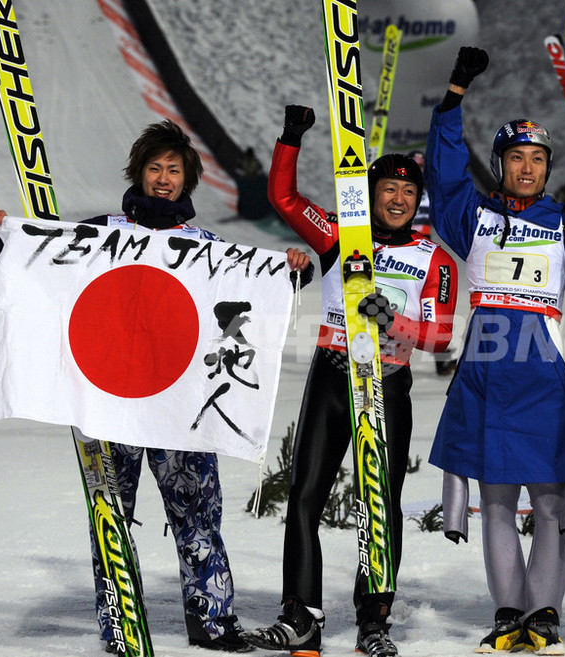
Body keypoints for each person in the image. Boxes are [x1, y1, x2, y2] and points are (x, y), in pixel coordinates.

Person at [0, 119, 313, 653]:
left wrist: (289, 269)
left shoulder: (207, 247)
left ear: (187, 180)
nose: (163, 178)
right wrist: (1, 233)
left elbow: (254, 290)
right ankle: (120, 624)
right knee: (111, 517)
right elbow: (43, 270)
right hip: (109, 405)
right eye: (155, 168)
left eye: (173, 170)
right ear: (139, 172)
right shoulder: (101, 234)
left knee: (198, 517)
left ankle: (215, 624)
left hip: (181, 407)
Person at [425, 47, 565, 655]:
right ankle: (509, 613)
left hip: (541, 373)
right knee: (496, 501)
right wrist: (455, 96)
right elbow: (444, 172)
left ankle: (545, 613)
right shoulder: (474, 218)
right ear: (502, 164)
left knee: (548, 499)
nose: (529, 168)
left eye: (538, 159)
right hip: (484, 373)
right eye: (518, 158)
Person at [240, 105, 459, 657]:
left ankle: (374, 621)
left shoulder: (436, 259)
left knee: (381, 504)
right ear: (373, 193)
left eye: (408, 194)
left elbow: (439, 338)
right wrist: (291, 138)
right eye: (389, 189)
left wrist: (395, 323)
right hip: (333, 376)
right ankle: (301, 619)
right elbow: (284, 200)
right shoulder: (341, 236)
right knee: (306, 497)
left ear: (418, 201)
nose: (399, 200)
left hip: (388, 384)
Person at [407, 148, 458, 377]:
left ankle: (442, 359)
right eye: (414, 165)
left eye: (420, 166)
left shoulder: (428, 190)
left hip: (423, 247)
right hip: (402, 245)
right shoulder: (402, 189)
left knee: (431, 309)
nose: (417, 170)